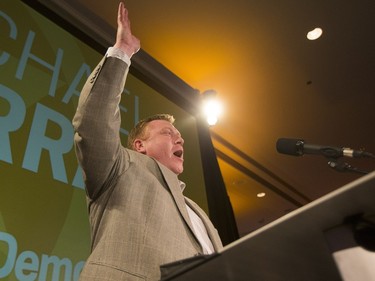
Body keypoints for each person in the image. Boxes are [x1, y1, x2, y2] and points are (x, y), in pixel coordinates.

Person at [72, 2, 223, 280]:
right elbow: (93, 121)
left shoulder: (197, 211)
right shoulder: (121, 169)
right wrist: (123, 52)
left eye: (179, 136)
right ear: (139, 146)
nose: (179, 139)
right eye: (167, 133)